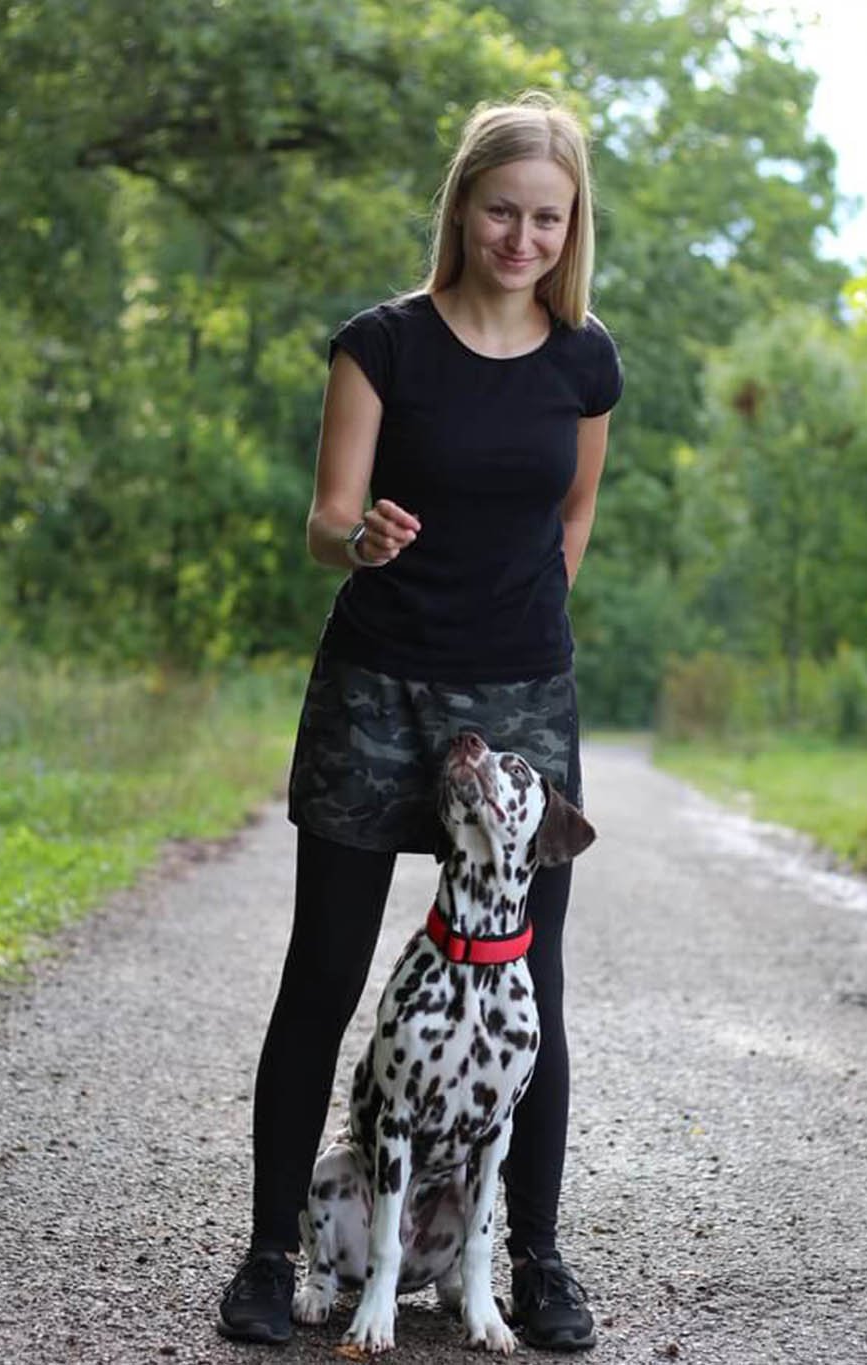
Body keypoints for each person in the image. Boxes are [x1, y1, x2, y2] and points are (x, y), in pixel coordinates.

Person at [217, 91, 623, 1353]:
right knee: (325, 975)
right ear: (461, 207)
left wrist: (526, 624)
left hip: (519, 698)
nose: (522, 240)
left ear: (572, 225)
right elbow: (326, 519)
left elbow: (571, 517)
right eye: (502, 212)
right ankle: (271, 1254)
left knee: (527, 981)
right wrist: (364, 539)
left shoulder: (584, 357)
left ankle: (538, 1257)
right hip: (377, 688)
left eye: (547, 220)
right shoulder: (381, 342)